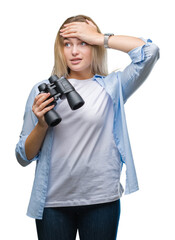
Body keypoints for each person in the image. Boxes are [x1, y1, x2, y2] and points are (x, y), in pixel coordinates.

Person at [15, 15, 160, 240]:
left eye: (83, 43)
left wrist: (99, 37)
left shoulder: (113, 86)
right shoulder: (41, 91)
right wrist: (42, 125)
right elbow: (23, 156)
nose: (74, 51)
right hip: (53, 202)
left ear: (94, 46)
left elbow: (149, 52)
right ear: (60, 49)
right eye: (68, 44)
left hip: (101, 199)